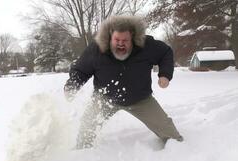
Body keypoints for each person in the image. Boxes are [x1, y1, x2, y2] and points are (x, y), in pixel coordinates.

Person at [64, 15, 183, 149]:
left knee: (173, 136)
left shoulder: (146, 45)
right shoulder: (96, 49)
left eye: (125, 40)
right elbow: (81, 69)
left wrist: (165, 75)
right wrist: (72, 85)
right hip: (104, 99)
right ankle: (81, 153)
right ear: (110, 36)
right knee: (86, 130)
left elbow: (166, 53)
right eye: (117, 40)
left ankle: (176, 149)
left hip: (140, 99)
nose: (120, 43)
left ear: (132, 37)